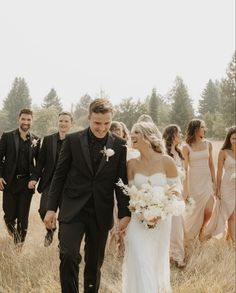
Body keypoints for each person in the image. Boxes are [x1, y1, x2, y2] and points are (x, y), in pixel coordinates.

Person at [44, 98, 130, 293]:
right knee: (68, 255)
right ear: (89, 118)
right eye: (97, 123)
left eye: (107, 123)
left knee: (94, 264)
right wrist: (51, 209)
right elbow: (59, 176)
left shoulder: (119, 145)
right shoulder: (73, 140)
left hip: (100, 211)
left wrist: (124, 213)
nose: (102, 128)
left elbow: (121, 182)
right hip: (72, 209)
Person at [122, 121, 180, 293]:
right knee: (140, 259)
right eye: (132, 132)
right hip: (138, 220)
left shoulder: (166, 161)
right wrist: (140, 209)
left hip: (161, 220)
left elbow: (176, 190)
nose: (132, 135)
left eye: (137, 132)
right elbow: (131, 193)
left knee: (154, 261)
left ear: (148, 136)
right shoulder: (131, 164)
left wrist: (161, 209)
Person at [28, 111, 73, 247]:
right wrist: (34, 178)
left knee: (65, 215)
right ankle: (50, 230)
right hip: (50, 183)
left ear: (71, 124)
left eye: (66, 121)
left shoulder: (75, 140)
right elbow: (40, 162)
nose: (63, 123)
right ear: (57, 122)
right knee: (43, 210)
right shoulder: (48, 140)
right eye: (61, 120)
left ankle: (62, 242)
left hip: (68, 185)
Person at [0, 109, 40, 245]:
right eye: (23, 119)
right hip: (9, 182)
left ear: (32, 121)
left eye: (29, 120)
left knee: (23, 218)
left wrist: (34, 178)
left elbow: (38, 164)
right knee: (9, 217)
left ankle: (19, 246)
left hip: (26, 184)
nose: (26, 122)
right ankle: (16, 237)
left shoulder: (36, 139)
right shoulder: (7, 136)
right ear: (19, 119)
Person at [182, 119, 216, 242]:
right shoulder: (186, 147)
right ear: (195, 129)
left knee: (209, 209)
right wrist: (185, 189)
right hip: (194, 182)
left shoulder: (208, 144)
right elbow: (185, 169)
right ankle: (189, 236)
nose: (204, 129)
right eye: (202, 127)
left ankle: (202, 228)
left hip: (206, 180)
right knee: (194, 212)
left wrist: (214, 183)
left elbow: (211, 164)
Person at [204, 126, 236, 242]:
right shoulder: (223, 152)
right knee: (230, 214)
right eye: (233, 138)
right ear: (229, 138)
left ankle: (229, 239)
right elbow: (219, 171)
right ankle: (234, 244)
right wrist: (217, 188)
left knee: (234, 214)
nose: (235, 141)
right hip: (227, 186)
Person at [163, 124, 186, 268]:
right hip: (166, 192)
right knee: (166, 226)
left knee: (177, 225)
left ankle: (178, 256)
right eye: (179, 133)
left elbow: (183, 171)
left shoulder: (179, 152)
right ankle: (166, 256)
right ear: (172, 135)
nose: (181, 135)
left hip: (178, 192)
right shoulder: (163, 152)